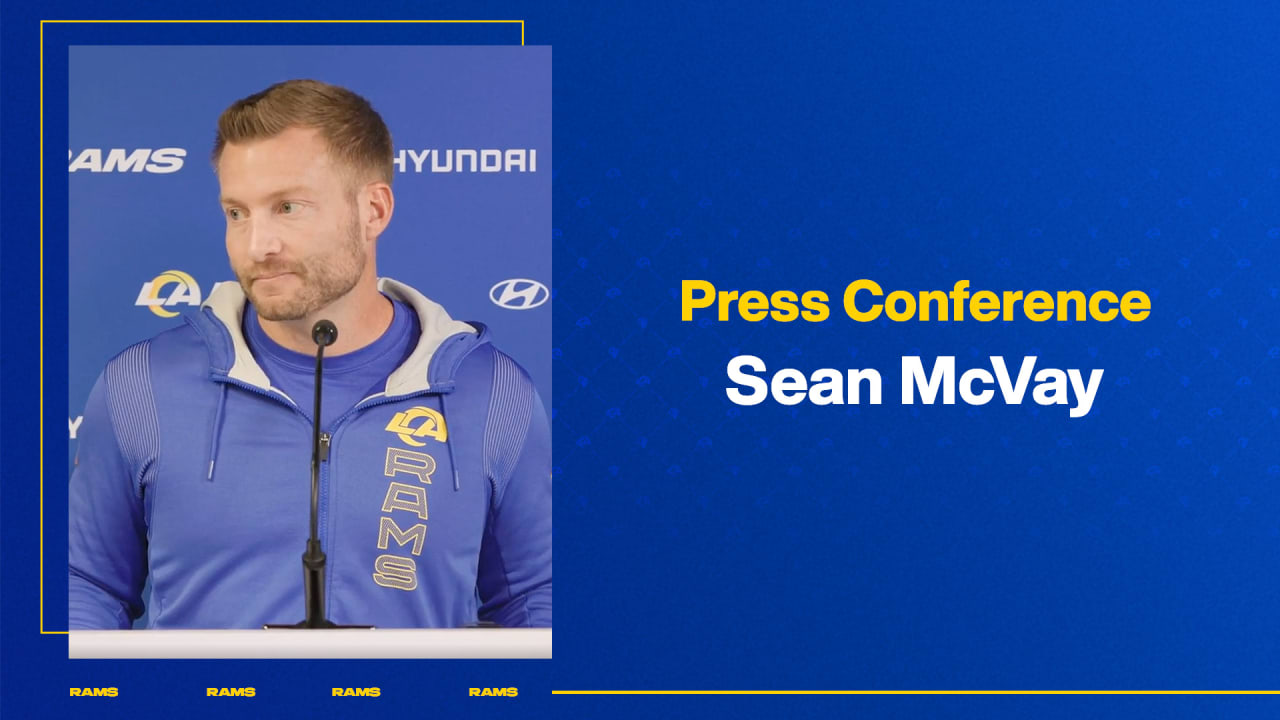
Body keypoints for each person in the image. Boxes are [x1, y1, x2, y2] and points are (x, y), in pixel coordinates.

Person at [68, 79, 551, 629]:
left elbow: (537, 600)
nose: (257, 246)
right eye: (236, 213)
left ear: (373, 210)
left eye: (287, 207)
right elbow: (86, 584)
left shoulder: (493, 393)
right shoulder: (140, 384)